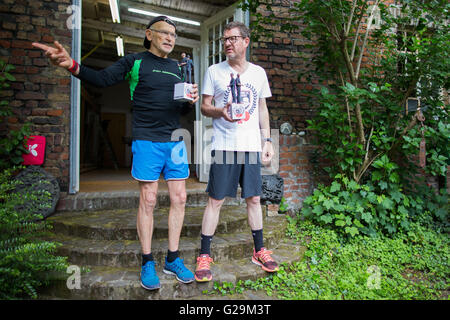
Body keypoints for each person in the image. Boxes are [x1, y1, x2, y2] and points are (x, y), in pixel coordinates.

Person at [32, 16, 199, 290]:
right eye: (164, 33)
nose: (170, 38)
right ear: (149, 34)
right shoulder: (134, 62)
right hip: (147, 140)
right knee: (148, 199)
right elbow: (100, 78)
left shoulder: (177, 68)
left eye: (174, 34)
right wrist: (71, 65)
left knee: (179, 198)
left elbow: (181, 111)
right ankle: (147, 260)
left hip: (175, 140)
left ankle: (172, 258)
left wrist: (189, 101)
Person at [194, 21, 279, 283]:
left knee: (254, 199)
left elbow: (262, 108)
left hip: (252, 145)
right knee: (216, 200)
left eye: (232, 39)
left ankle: (259, 250)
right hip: (224, 146)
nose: (227, 44)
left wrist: (267, 140)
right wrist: (222, 111)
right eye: (224, 40)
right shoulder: (214, 71)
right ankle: (204, 254)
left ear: (246, 41)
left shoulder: (258, 73)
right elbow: (204, 107)